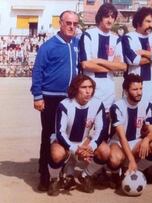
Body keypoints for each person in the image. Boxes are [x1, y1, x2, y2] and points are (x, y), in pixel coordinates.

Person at [30, 10, 79, 191]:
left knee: (67, 136)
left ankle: (64, 173)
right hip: (50, 98)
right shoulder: (48, 46)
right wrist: (37, 96)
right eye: (68, 23)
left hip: (70, 98)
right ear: (60, 23)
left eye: (75, 23)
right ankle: (44, 174)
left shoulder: (77, 43)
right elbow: (37, 71)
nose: (72, 26)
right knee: (49, 135)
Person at [47, 75, 110, 195]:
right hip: (65, 142)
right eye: (84, 87)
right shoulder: (64, 105)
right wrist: (75, 149)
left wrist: (91, 146)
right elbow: (60, 132)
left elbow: (101, 129)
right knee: (56, 154)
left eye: (91, 87)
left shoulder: (97, 104)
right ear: (75, 89)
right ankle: (54, 179)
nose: (88, 91)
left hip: (85, 142)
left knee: (105, 151)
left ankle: (86, 175)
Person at [108, 74, 152, 191]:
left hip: (137, 141)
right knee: (115, 159)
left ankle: (137, 170)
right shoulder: (117, 107)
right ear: (126, 91)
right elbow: (122, 138)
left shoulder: (147, 105)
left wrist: (146, 139)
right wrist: (131, 159)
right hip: (119, 143)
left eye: (141, 89)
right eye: (135, 89)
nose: (139, 92)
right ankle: (115, 174)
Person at [79, 3, 127, 114]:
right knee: (85, 128)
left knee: (105, 128)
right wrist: (112, 66)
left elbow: (123, 66)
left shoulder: (116, 39)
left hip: (109, 92)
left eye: (112, 17)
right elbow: (86, 65)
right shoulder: (88, 35)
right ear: (100, 17)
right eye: (107, 16)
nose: (110, 20)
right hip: (89, 90)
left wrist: (99, 61)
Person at [122, 7, 152, 113]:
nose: (151, 24)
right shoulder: (128, 37)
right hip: (134, 85)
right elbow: (133, 60)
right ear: (138, 21)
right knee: (134, 120)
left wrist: (144, 52)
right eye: (148, 21)